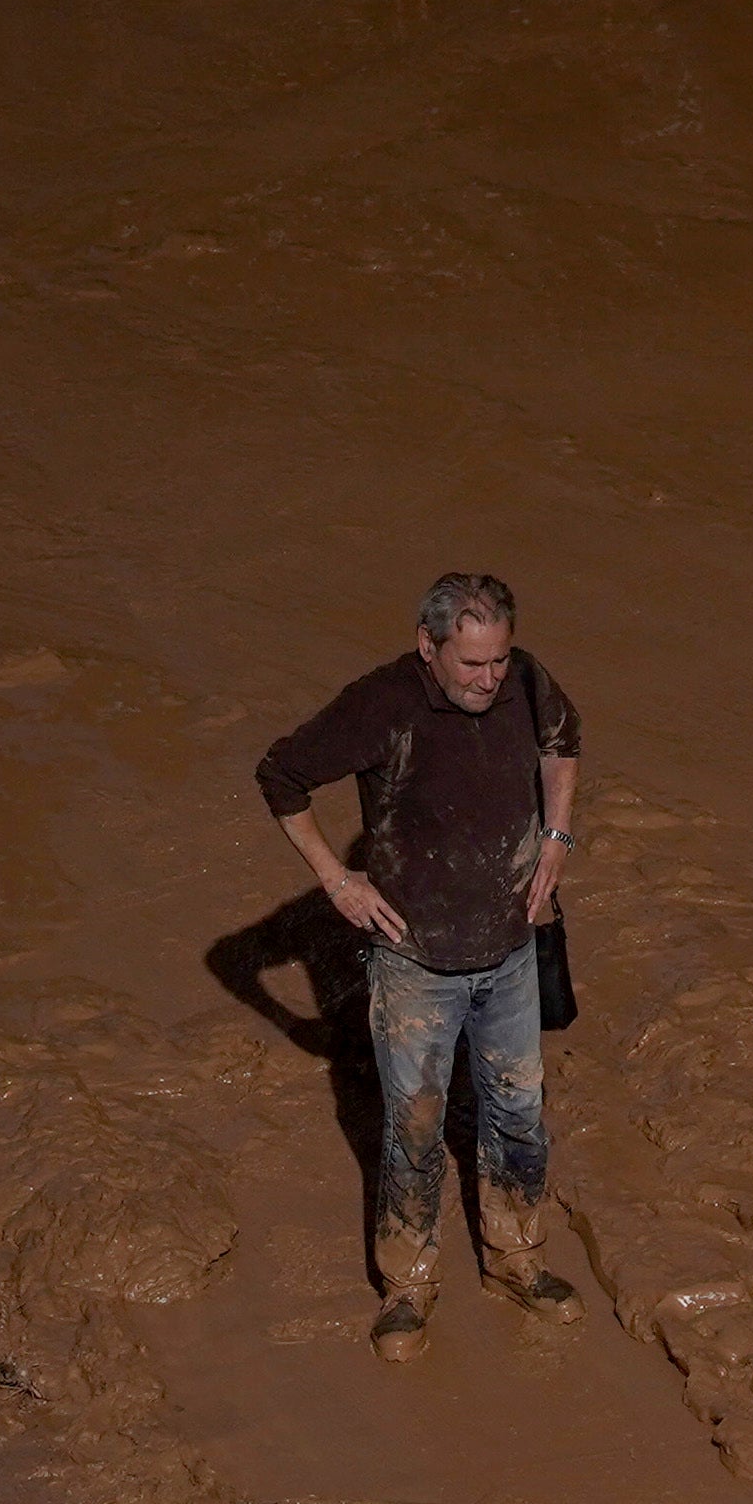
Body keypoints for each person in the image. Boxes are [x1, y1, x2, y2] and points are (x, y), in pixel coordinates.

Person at [254, 571, 582, 1358]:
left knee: (518, 1117)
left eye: (497, 660)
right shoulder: (380, 705)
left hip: (509, 953)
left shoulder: (527, 679)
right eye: (471, 663)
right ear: (426, 645)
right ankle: (408, 1286)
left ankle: (517, 1261)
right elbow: (280, 775)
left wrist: (558, 839)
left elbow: (564, 741)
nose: (488, 679)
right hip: (414, 966)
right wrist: (337, 880)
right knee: (415, 1129)